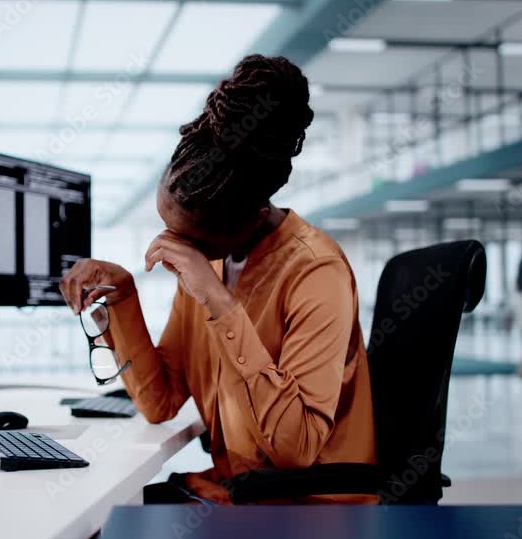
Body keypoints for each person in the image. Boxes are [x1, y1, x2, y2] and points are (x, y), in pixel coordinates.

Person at [60, 55, 376, 504]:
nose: (170, 245)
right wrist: (124, 297)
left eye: (189, 241)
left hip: (307, 508)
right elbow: (159, 402)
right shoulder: (208, 264)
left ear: (248, 221)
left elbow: (296, 450)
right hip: (238, 490)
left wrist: (221, 305)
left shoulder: (315, 270)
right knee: (100, 512)